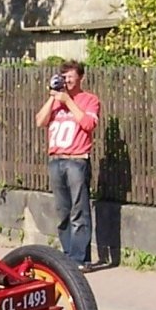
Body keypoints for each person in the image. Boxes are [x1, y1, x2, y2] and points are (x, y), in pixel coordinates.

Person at [35, 60, 100, 272]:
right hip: (56, 159)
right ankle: (68, 256)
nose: (67, 80)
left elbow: (88, 124)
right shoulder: (56, 101)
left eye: (71, 77)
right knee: (63, 211)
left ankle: (80, 259)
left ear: (80, 77)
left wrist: (69, 101)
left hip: (77, 160)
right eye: (64, 77)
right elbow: (40, 121)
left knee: (78, 210)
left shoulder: (89, 100)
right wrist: (52, 98)